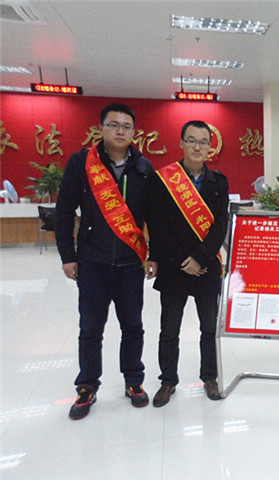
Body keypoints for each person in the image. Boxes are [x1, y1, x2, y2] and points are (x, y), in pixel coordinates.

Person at [55, 103, 156, 420]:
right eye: (114, 124)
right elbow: (64, 210)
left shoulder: (144, 168)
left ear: (134, 132)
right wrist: (68, 256)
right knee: (90, 329)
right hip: (92, 262)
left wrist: (153, 255)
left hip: (130, 264)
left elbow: (154, 217)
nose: (120, 131)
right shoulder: (81, 163)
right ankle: (87, 386)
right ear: (101, 128)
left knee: (133, 327)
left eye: (126, 126)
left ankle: (134, 381)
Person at [147, 120, 229, 407]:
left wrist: (201, 258)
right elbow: (158, 226)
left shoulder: (219, 182)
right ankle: (168, 381)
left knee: (209, 328)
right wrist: (184, 260)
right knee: (170, 330)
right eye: (191, 140)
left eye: (204, 142)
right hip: (174, 267)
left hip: (207, 268)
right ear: (181, 143)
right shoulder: (163, 180)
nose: (197, 146)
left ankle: (210, 377)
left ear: (210, 147)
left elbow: (220, 225)